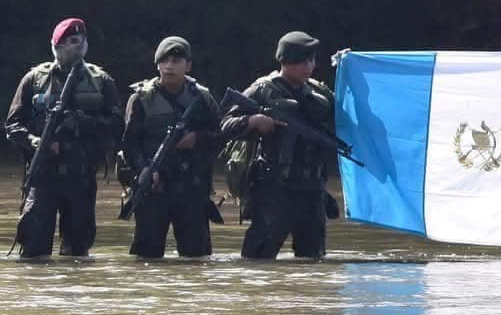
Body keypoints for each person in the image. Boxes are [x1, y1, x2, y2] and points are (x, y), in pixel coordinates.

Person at [4, 17, 121, 257]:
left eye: (79, 40)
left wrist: (81, 120)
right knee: (34, 250)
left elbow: (117, 125)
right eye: (69, 41)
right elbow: (12, 126)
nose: (76, 45)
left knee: (78, 252)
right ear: (56, 46)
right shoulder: (34, 79)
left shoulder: (101, 81)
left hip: (81, 176)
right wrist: (36, 143)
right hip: (42, 175)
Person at [223, 30, 339, 261]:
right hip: (274, 190)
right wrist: (252, 121)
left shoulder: (319, 92)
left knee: (312, 261)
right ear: (287, 61)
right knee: (258, 260)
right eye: (304, 60)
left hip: (312, 190)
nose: (310, 66)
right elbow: (225, 125)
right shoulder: (262, 90)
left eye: (312, 60)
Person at [119, 36, 223, 258]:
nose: (169, 66)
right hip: (154, 188)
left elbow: (220, 136)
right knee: (146, 257)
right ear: (157, 65)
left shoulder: (202, 99)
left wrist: (197, 137)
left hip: (192, 189)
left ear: (188, 65)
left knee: (197, 257)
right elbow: (129, 143)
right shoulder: (141, 99)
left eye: (176, 61)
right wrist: (143, 168)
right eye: (164, 61)